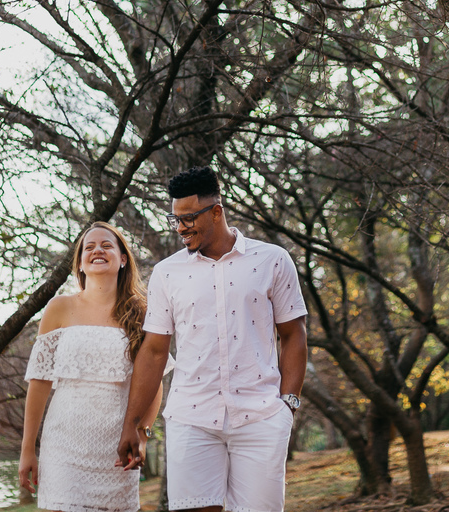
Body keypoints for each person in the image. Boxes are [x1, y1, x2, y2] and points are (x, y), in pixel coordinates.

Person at [117, 166, 308, 512]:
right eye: (175, 219)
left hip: (262, 416)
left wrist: (288, 406)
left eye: (188, 218)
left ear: (217, 210)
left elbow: (293, 335)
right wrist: (132, 424)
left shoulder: (272, 260)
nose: (180, 228)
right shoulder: (166, 273)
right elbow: (155, 350)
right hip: (192, 418)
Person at [19, 222, 163, 512]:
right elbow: (40, 381)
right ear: (81, 263)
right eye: (89, 247)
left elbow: (153, 381)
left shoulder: (145, 312)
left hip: (117, 448)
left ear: (123, 259)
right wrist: (27, 449)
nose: (98, 250)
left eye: (107, 245)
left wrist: (142, 436)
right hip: (63, 446)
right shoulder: (58, 308)